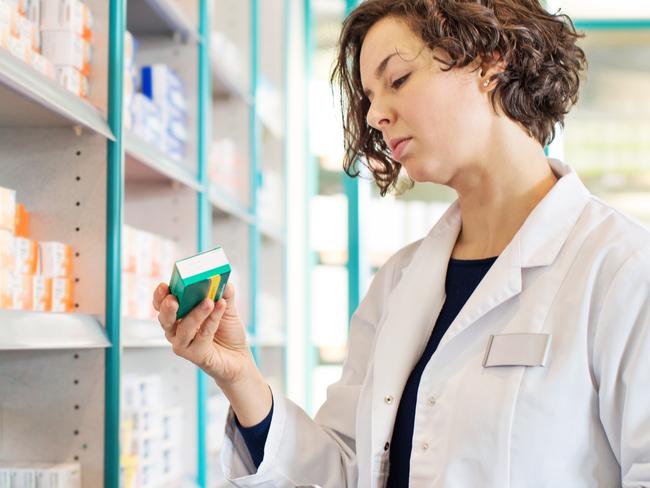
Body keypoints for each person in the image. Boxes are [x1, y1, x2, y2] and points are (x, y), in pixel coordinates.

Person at [153, 0, 650, 486]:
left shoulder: (621, 269)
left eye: (398, 80)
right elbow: (347, 470)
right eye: (369, 97)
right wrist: (239, 376)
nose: (373, 116)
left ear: (490, 63)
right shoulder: (399, 281)